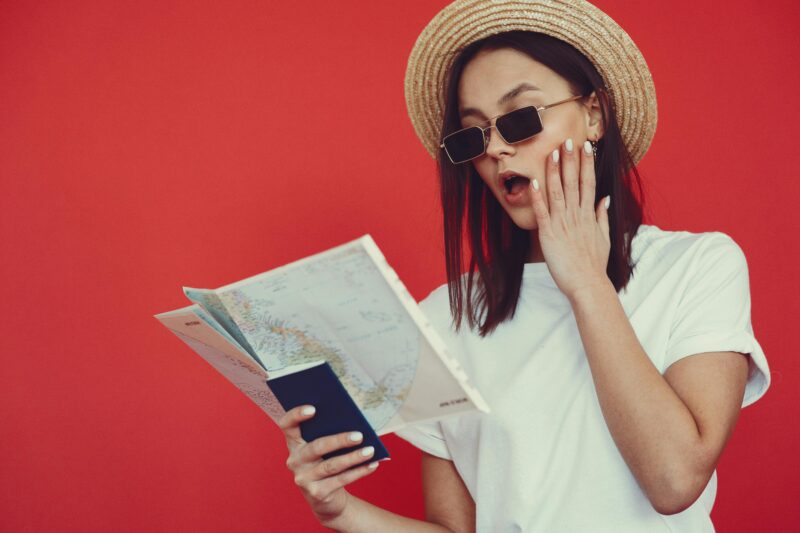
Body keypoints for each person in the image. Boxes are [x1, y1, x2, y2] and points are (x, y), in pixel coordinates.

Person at [278, 0, 771, 531]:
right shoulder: (447, 317)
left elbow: (674, 480)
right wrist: (342, 510)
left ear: (594, 115)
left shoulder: (697, 267)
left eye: (519, 119)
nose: (495, 150)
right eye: (473, 135)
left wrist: (585, 281)